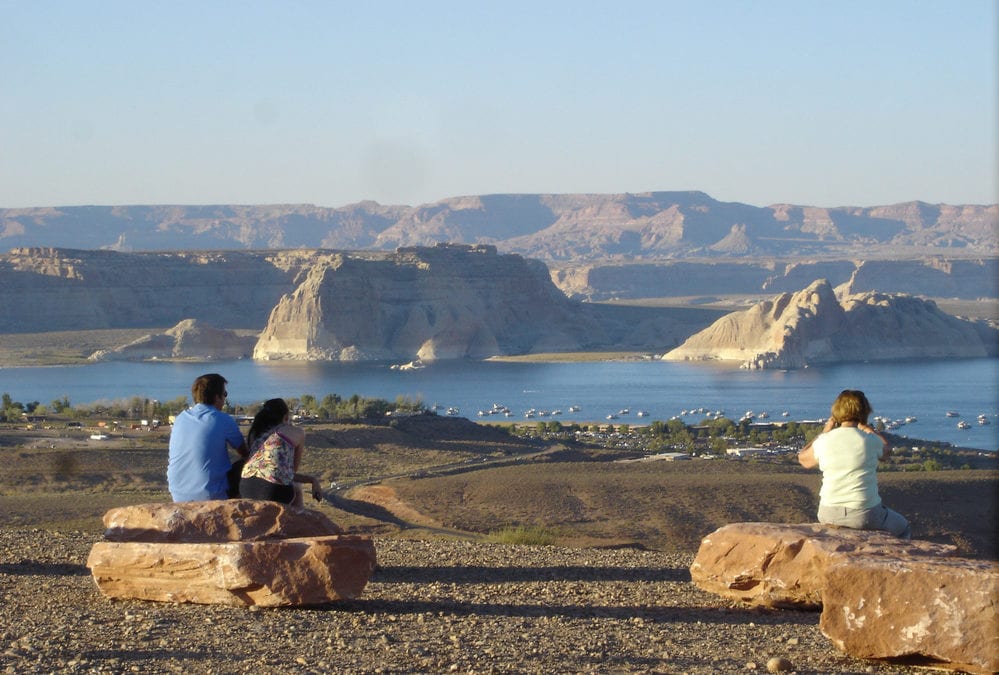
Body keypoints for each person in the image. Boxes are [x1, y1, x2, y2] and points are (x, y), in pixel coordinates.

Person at [797, 389, 911, 539]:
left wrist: (823, 433)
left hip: (828, 513)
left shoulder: (824, 441)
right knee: (903, 528)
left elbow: (803, 460)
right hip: (864, 514)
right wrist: (867, 429)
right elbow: (886, 452)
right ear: (865, 411)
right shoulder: (869, 440)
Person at [167, 373, 249, 502]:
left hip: (177, 494)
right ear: (217, 397)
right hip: (211, 495)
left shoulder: (180, 418)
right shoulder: (223, 419)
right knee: (251, 463)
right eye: (225, 394)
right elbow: (244, 453)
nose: (225, 399)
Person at [239, 398, 323, 506]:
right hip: (272, 491)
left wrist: (312, 480)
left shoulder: (255, 434)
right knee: (296, 487)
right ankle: (300, 519)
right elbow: (290, 473)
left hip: (246, 487)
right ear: (286, 417)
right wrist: (313, 480)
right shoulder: (296, 432)